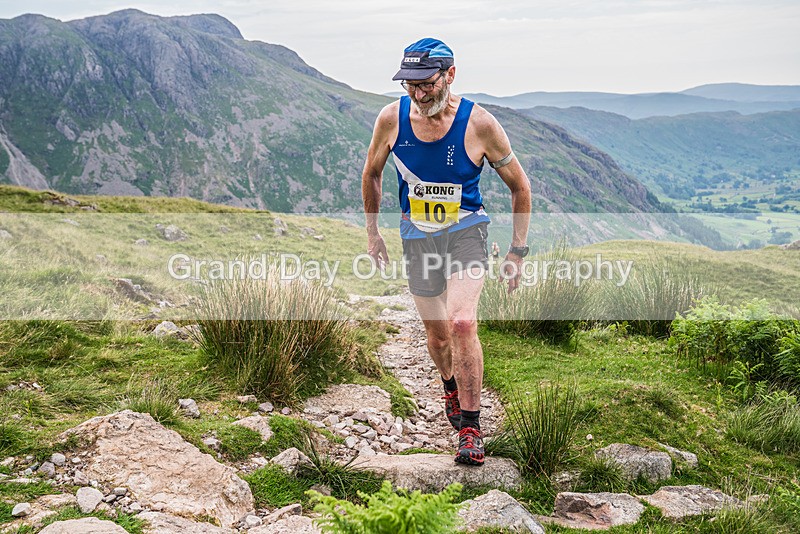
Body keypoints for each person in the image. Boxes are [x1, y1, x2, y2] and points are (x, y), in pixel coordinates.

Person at [362, 37, 531, 466]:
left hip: (466, 232)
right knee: (437, 337)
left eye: (427, 84)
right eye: (410, 86)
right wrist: (372, 232)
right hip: (417, 237)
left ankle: (471, 427)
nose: (419, 94)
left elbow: (520, 187)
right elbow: (372, 174)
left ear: (449, 75)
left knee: (460, 322)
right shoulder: (391, 119)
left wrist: (517, 252)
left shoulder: (480, 124)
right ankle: (449, 385)